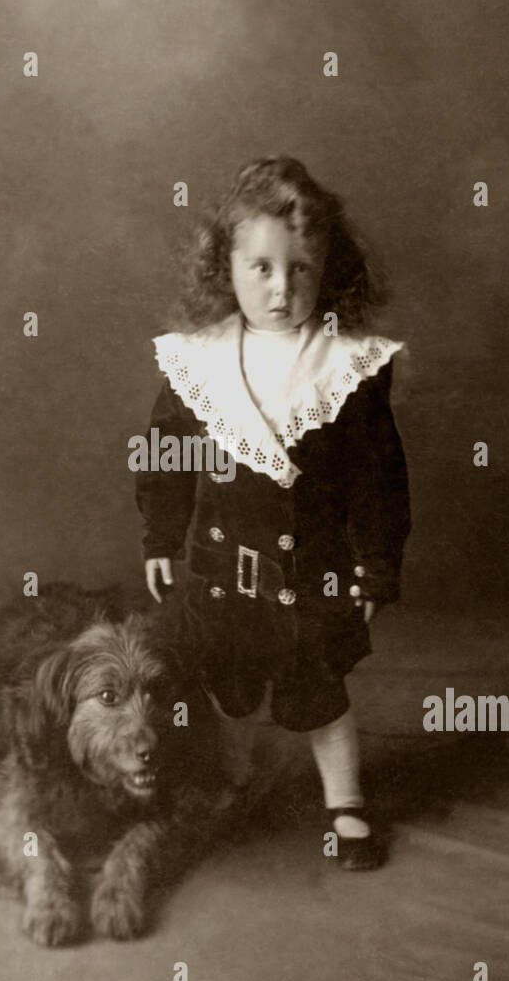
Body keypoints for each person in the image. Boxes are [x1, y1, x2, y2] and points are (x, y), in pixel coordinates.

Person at [135, 156, 411, 869]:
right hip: (220, 570)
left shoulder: (346, 368)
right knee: (208, 677)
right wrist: (162, 536)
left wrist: (375, 566)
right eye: (260, 268)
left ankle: (345, 804)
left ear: (327, 271)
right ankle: (208, 775)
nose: (281, 289)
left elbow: (379, 477)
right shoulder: (200, 362)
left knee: (319, 694)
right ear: (224, 264)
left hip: (309, 575)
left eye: (301, 269)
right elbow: (166, 452)